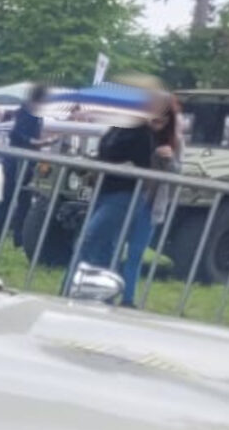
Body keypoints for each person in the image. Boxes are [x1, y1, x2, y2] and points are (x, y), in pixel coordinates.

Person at [70, 94, 179, 305]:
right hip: (115, 191)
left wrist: (169, 159)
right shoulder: (124, 130)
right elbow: (107, 152)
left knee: (132, 252)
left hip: (145, 200)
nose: (156, 121)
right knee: (109, 246)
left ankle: (126, 298)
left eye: (162, 119)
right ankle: (102, 294)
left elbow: (176, 171)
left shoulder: (164, 139)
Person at [0, 83, 50, 244]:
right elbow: (16, 134)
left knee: (24, 200)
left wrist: (38, 143)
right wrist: (35, 142)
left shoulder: (35, 113)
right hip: (16, 162)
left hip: (27, 162)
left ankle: (18, 237)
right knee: (10, 199)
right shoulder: (26, 111)